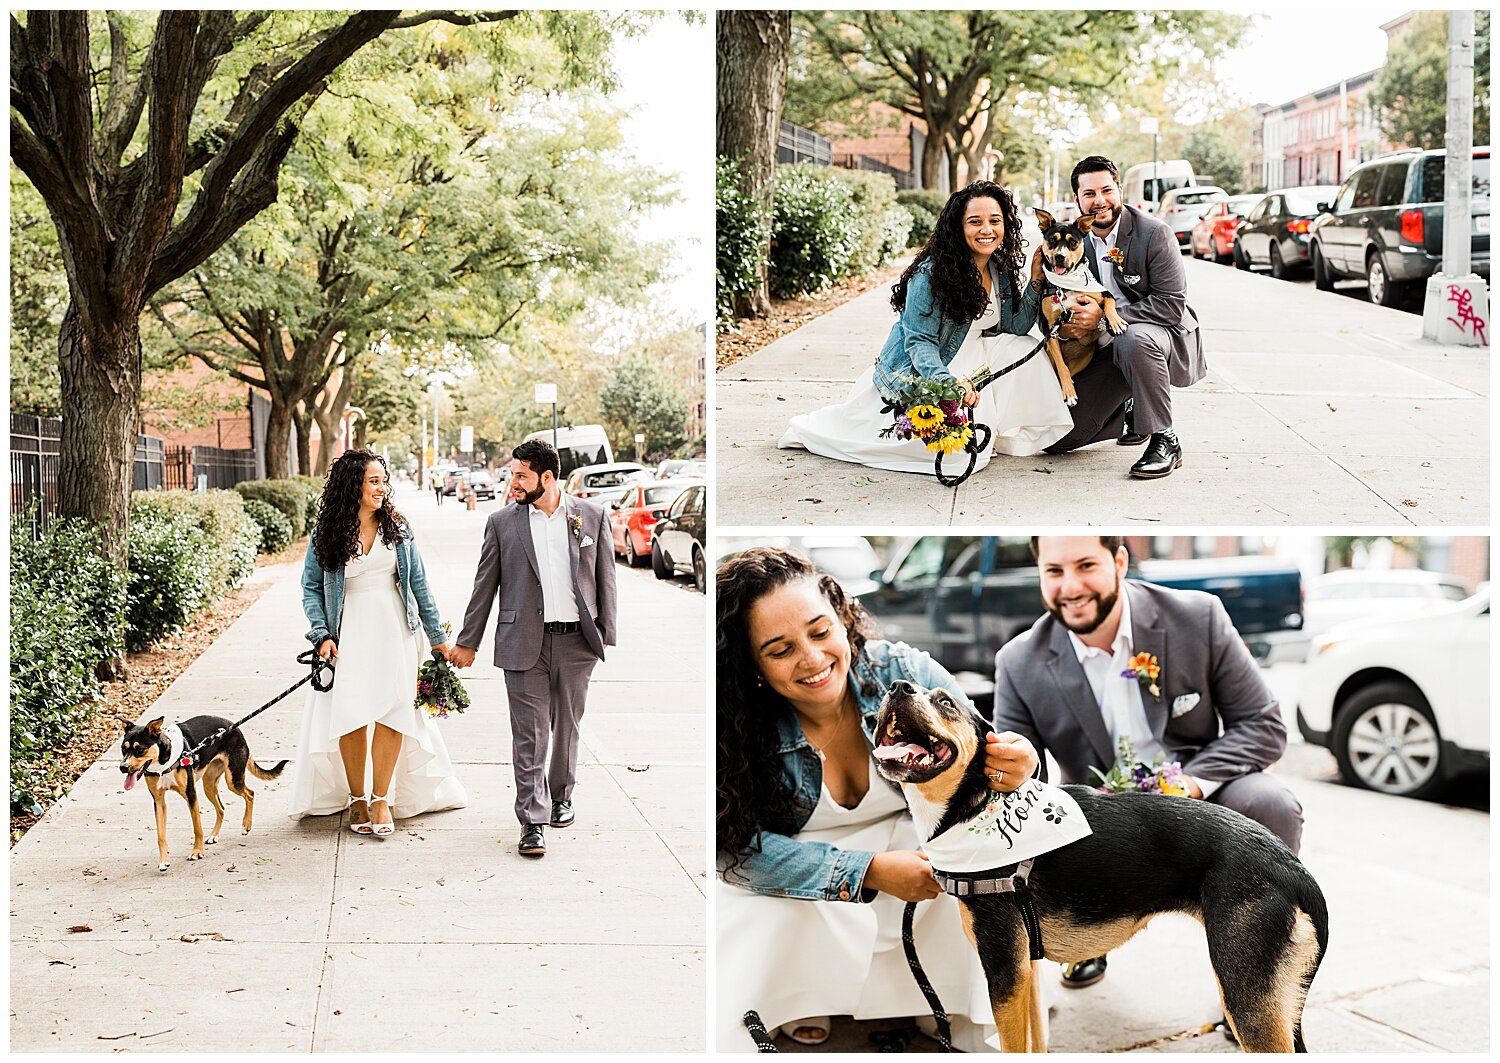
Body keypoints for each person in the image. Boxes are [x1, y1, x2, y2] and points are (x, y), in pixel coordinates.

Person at [716, 546, 1041, 1051]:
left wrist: (1019, 763)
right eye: (780, 651)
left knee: (976, 883)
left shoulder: (905, 673)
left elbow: (985, 761)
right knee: (754, 912)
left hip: (918, 850)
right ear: (751, 663)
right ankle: (805, 1003)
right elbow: (731, 851)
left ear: (843, 619)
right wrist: (865, 870)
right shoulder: (734, 721)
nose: (813, 659)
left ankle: (957, 1011)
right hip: (803, 865)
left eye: (821, 632)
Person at [993, 535, 1302, 993]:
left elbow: (1262, 723)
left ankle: (1256, 976)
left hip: (1198, 793)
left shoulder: (1197, 618)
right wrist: (1016, 764)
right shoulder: (1019, 660)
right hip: (1096, 816)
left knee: (1270, 802)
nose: (1071, 586)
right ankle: (1084, 938)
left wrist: (1192, 785)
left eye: (1086, 566)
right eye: (1054, 572)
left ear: (1119, 561)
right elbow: (1021, 781)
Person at [778, 181, 1074, 473]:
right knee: (955, 456)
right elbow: (919, 341)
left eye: (995, 221)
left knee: (1023, 348)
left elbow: (1015, 327)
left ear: (1006, 225)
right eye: (975, 222)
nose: (987, 230)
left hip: (976, 357)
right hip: (930, 364)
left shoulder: (999, 268)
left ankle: (996, 426)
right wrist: (946, 385)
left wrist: (1036, 279)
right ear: (958, 227)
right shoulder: (931, 274)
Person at [450, 438, 617, 857]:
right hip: (523, 641)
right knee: (530, 734)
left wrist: (605, 633)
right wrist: (468, 641)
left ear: (547, 476)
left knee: (568, 726)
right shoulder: (502, 523)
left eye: (521, 475)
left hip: (577, 642)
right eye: (513, 475)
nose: (514, 483)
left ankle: (562, 795)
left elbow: (605, 577)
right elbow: (483, 586)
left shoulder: (591, 517)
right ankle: (532, 819)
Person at [288, 448, 467, 832]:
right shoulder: (326, 534)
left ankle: (382, 800)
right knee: (351, 714)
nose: (382, 488)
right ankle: (356, 800)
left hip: (395, 631)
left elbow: (419, 585)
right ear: (353, 485)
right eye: (374, 480)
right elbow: (310, 589)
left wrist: (438, 639)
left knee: (392, 714)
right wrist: (321, 635)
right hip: (347, 633)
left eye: (384, 480)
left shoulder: (398, 530)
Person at [1046, 156, 1207, 478]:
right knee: (1059, 438)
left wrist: (1105, 319)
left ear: (1119, 190)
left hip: (1152, 334)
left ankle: (1165, 436)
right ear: (1077, 199)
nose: (1099, 201)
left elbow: (1170, 305)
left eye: (1106, 190)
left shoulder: (1154, 233)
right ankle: (1129, 404)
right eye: (1089, 193)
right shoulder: (1074, 240)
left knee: (1131, 339)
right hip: (1097, 347)